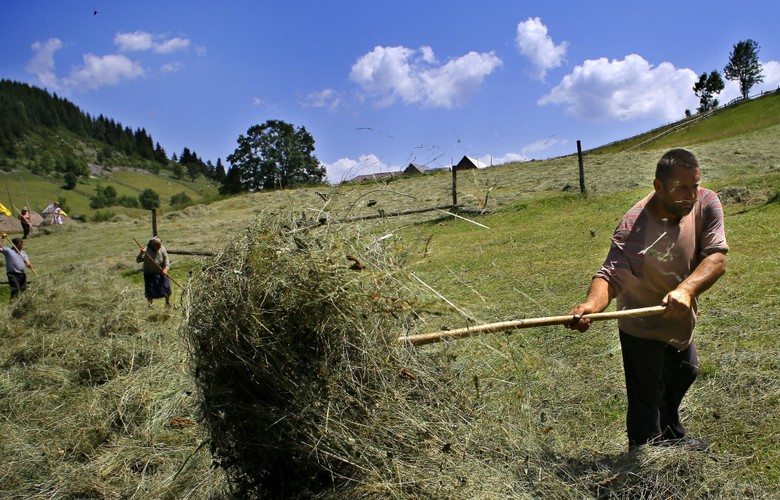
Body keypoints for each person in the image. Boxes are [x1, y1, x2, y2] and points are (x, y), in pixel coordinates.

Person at [567, 148, 728, 452]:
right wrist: (590, 306)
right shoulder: (634, 227)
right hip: (640, 323)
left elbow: (716, 258)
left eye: (694, 185)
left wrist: (686, 290)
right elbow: (610, 274)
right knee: (646, 398)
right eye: (681, 188)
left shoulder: (707, 202)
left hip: (679, 317)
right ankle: (642, 457)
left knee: (685, 373)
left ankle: (671, 437)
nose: (691, 195)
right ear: (658, 186)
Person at [136, 236, 172, 307]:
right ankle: (150, 305)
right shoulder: (146, 250)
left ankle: (167, 303)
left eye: (159, 246)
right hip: (150, 273)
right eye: (157, 247)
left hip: (161, 272)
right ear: (153, 245)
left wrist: (165, 269)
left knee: (166, 288)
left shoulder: (162, 248)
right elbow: (138, 260)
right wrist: (141, 254)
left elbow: (166, 260)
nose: (159, 248)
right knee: (150, 291)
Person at [1, 234, 32, 302]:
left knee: (23, 289)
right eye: (19, 245)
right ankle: (12, 303)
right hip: (12, 274)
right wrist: (2, 238)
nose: (21, 247)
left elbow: (27, 263)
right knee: (16, 289)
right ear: (14, 245)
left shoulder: (23, 253)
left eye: (22, 245)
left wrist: (29, 265)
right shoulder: (8, 251)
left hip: (22, 274)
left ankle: (21, 303)